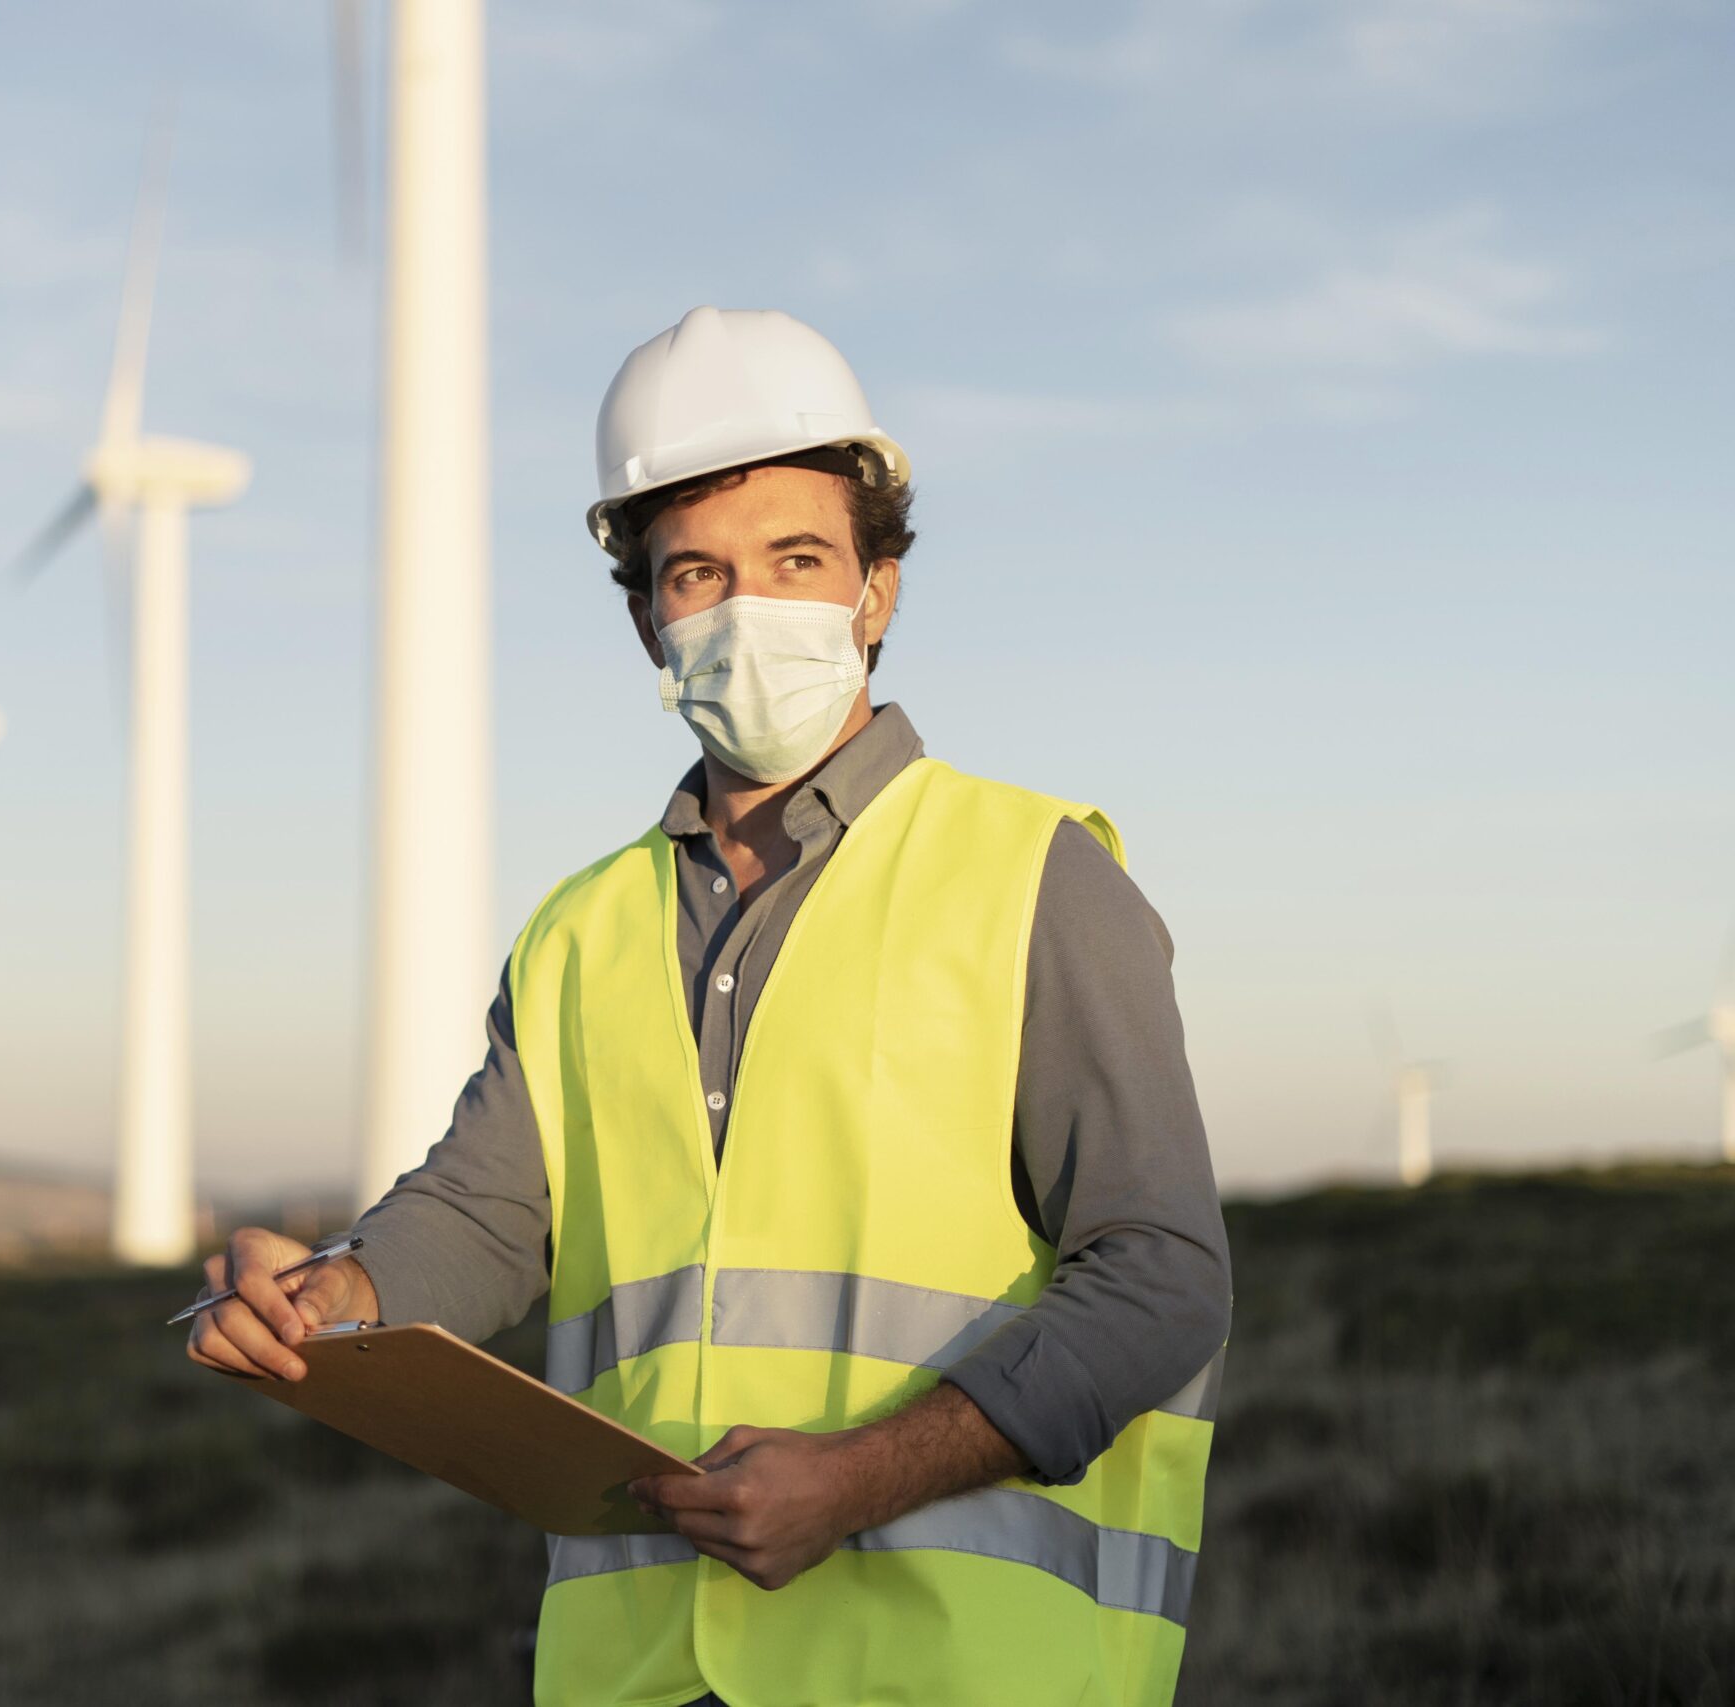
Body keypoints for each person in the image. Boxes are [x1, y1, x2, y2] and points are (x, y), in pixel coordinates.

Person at [188, 306, 1230, 1707]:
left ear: (877, 589)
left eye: (798, 560)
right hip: (645, 1679)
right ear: (646, 618)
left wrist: (858, 1479)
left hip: (955, 1677)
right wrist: (335, 1299)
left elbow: (1162, 1273)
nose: (750, 611)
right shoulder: (579, 930)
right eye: (699, 573)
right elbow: (492, 1217)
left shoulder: (1035, 877)